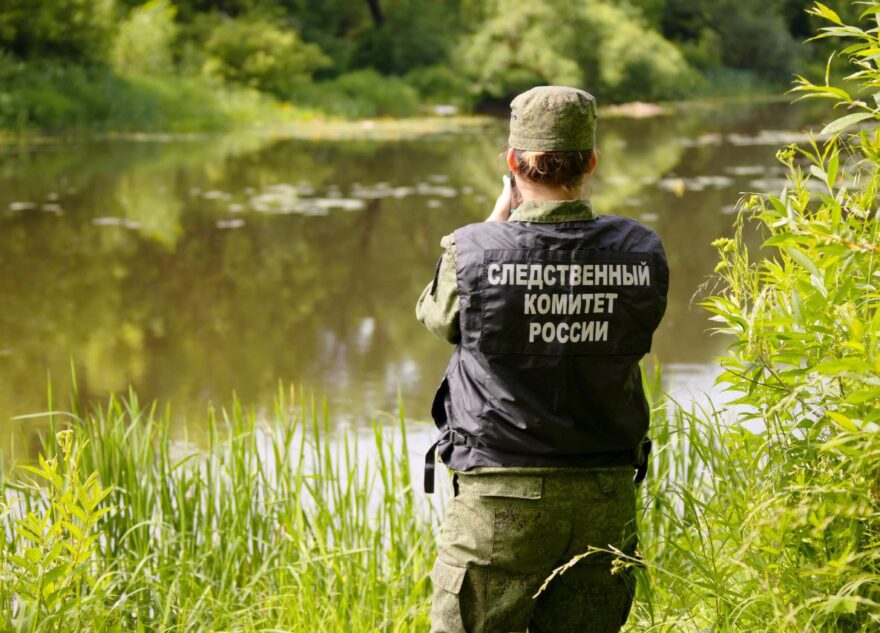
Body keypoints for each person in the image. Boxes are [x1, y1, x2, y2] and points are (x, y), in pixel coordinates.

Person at [415, 85, 669, 633]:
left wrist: (492, 228)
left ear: (512, 163)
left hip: (497, 495)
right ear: (592, 162)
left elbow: (438, 317)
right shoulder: (641, 250)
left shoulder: (474, 249)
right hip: (605, 492)